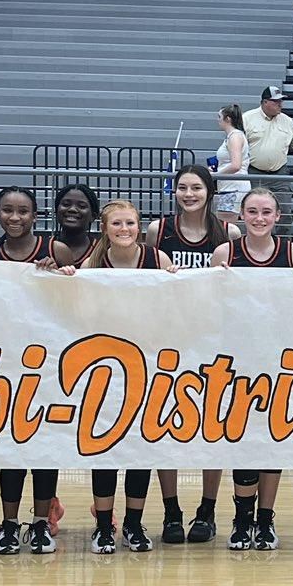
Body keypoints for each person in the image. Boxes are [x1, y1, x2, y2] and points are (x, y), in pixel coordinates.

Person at [0, 187, 63, 557]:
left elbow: (73, 299)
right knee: (10, 447)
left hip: (49, 364)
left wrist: (58, 275)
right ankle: (9, 523)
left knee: (44, 446)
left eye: (23, 211)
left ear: (35, 216)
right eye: (8, 211)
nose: (15, 217)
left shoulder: (55, 251)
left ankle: (40, 523)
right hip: (6, 364)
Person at [213, 186, 293, 550]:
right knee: (242, 441)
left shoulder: (292, 252)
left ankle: (265, 519)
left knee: (272, 442)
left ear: (277, 216)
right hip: (236, 362)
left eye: (266, 212)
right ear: (241, 215)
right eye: (252, 211)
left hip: (277, 361)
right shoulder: (226, 252)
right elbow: (210, 307)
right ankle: (241, 518)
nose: (259, 218)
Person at [145, 165, 235, 545]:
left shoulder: (228, 233)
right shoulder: (157, 231)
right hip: (166, 338)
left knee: (211, 427)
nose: (189, 193)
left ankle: (207, 510)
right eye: (182, 187)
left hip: (212, 338)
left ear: (209, 191)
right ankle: (171, 511)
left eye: (196, 187)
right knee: (163, 423)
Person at [80, 200, 174, 555]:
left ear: (139, 226)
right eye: (116, 223)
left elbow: (178, 305)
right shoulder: (91, 263)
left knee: (140, 448)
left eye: (130, 223)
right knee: (103, 447)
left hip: (147, 366)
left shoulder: (158, 260)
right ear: (105, 228)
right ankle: (104, 526)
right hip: (103, 368)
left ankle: (134, 523)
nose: (124, 229)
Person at [243, 85, 293, 211]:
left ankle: (282, 231)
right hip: (254, 172)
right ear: (265, 102)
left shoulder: (287, 121)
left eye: (281, 101)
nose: (280, 105)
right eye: (276, 101)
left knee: (284, 211)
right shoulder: (247, 118)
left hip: (280, 173)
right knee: (254, 209)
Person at [48, 182, 101, 269]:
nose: (72, 209)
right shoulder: (44, 248)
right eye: (66, 204)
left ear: (93, 216)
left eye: (82, 206)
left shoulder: (102, 252)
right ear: (56, 212)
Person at [212, 104, 249, 217]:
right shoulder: (232, 136)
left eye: (219, 117)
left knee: (225, 227)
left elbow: (235, 165)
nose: (218, 120)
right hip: (229, 187)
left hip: (234, 188)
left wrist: (215, 175)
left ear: (227, 119)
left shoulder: (235, 137)